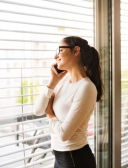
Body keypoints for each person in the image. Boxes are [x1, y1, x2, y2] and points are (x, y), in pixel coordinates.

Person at [33, 36, 103, 168]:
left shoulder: (86, 87)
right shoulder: (64, 81)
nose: (56, 56)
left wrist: (49, 113)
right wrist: (52, 82)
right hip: (60, 157)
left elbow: (64, 134)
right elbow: (37, 110)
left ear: (76, 51)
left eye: (60, 50)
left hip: (75, 159)